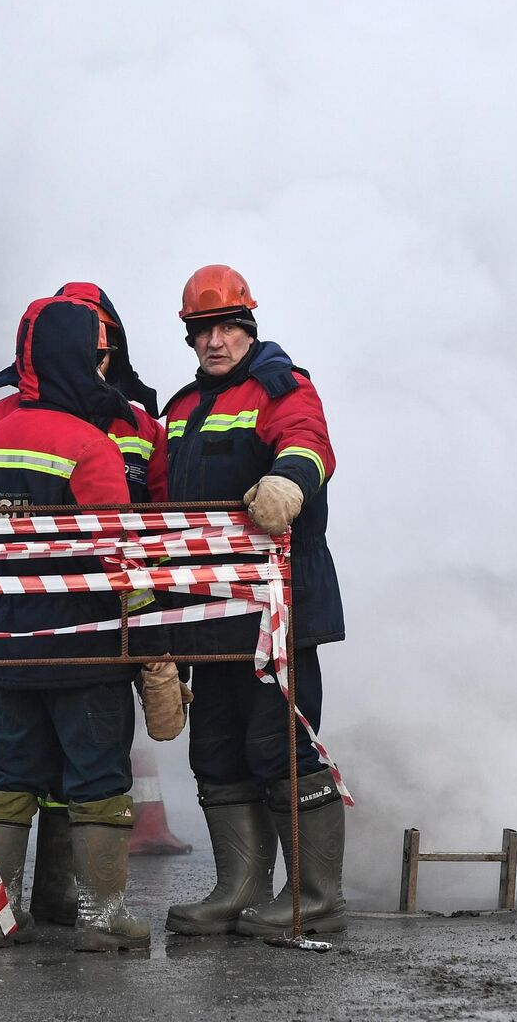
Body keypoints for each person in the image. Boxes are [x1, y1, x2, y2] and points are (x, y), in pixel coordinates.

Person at [0, 283, 169, 933]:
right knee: (99, 779)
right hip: (86, 648)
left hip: (12, 648)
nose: (105, 366)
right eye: (96, 355)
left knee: (7, 776)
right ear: (77, 359)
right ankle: (103, 921)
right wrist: (152, 643)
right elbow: (119, 553)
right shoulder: (88, 443)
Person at [159, 264, 347, 937]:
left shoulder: (281, 386)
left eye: (225, 327)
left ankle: (314, 899)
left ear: (248, 326)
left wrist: (288, 483)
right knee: (215, 752)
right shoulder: (179, 410)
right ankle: (237, 891)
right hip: (211, 613)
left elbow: (308, 443)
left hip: (278, 610)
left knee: (281, 747)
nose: (213, 341)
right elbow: (159, 501)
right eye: (200, 329)